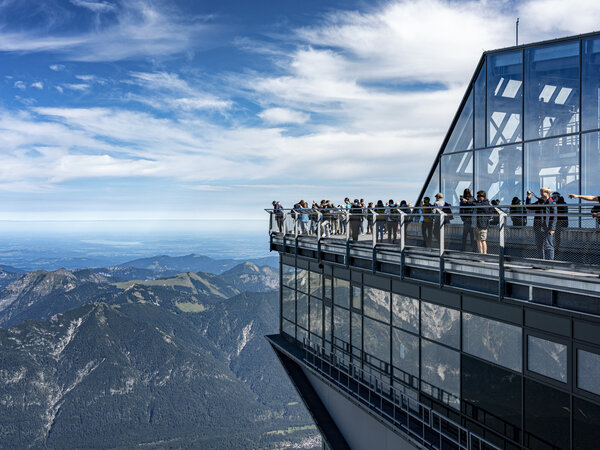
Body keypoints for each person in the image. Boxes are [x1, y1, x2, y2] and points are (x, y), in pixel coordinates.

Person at [526, 187, 556, 260]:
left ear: (547, 193)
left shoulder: (552, 203)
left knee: (549, 246)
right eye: (541, 192)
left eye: (542, 192)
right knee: (539, 246)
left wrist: (552, 228)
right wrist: (528, 197)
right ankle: (541, 262)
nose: (541, 194)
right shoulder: (539, 202)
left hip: (547, 228)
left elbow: (554, 217)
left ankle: (550, 263)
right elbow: (529, 207)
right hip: (538, 227)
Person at [474, 190, 492, 254]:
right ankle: (480, 254)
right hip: (477, 224)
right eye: (477, 196)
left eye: (479, 196)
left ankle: (484, 254)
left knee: (483, 240)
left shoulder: (485, 203)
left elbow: (479, 205)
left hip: (483, 225)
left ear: (483, 196)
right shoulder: (479, 203)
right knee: (478, 240)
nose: (478, 197)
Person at [553, 193, 568, 258]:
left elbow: (562, 213)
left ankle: (556, 249)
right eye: (553, 197)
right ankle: (552, 248)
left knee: (556, 236)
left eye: (555, 197)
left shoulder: (562, 203)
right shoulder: (554, 203)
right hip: (554, 221)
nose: (554, 198)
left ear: (558, 197)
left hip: (559, 221)